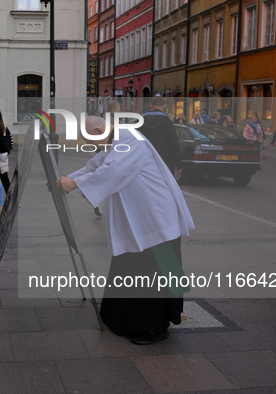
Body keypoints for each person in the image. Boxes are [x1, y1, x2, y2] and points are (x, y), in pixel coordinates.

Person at [55, 115, 194, 345]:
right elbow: (97, 164)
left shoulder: (130, 139)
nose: (92, 148)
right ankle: (120, 317)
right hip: (144, 217)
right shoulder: (116, 140)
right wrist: (68, 179)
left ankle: (156, 327)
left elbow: (113, 170)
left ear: (99, 130)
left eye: (90, 142)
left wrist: (76, 183)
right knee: (136, 264)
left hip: (157, 216)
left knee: (156, 270)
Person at [138, 96, 183, 176]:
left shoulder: (139, 122)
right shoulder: (167, 122)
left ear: (151, 105)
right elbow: (174, 144)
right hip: (164, 162)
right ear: (164, 106)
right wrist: (178, 163)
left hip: (143, 161)